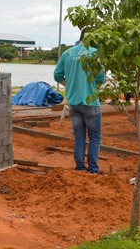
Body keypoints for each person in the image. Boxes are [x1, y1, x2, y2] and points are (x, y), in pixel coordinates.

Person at [53, 28, 106, 173]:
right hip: (91, 103)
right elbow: (101, 78)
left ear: (80, 37)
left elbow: (57, 75)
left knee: (79, 136)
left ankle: (80, 168)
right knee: (95, 137)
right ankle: (93, 169)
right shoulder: (95, 54)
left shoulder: (67, 53)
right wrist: (92, 87)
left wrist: (69, 85)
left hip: (74, 103)